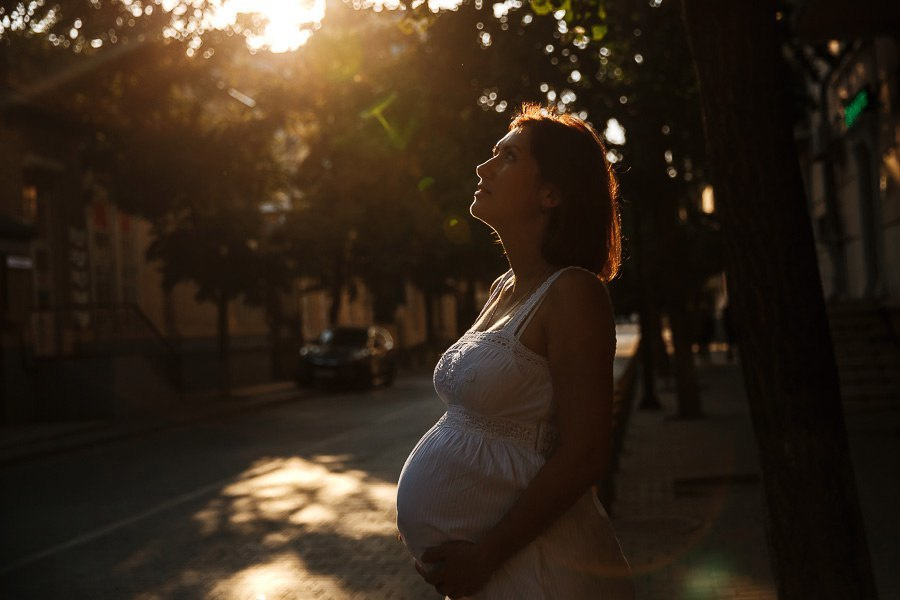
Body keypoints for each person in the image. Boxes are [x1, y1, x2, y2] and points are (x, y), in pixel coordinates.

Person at [396, 103, 635, 599]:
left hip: (543, 573)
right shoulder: (505, 288)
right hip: (496, 574)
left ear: (550, 193)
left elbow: (586, 453)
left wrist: (485, 555)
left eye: (506, 157)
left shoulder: (573, 292)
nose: (483, 168)